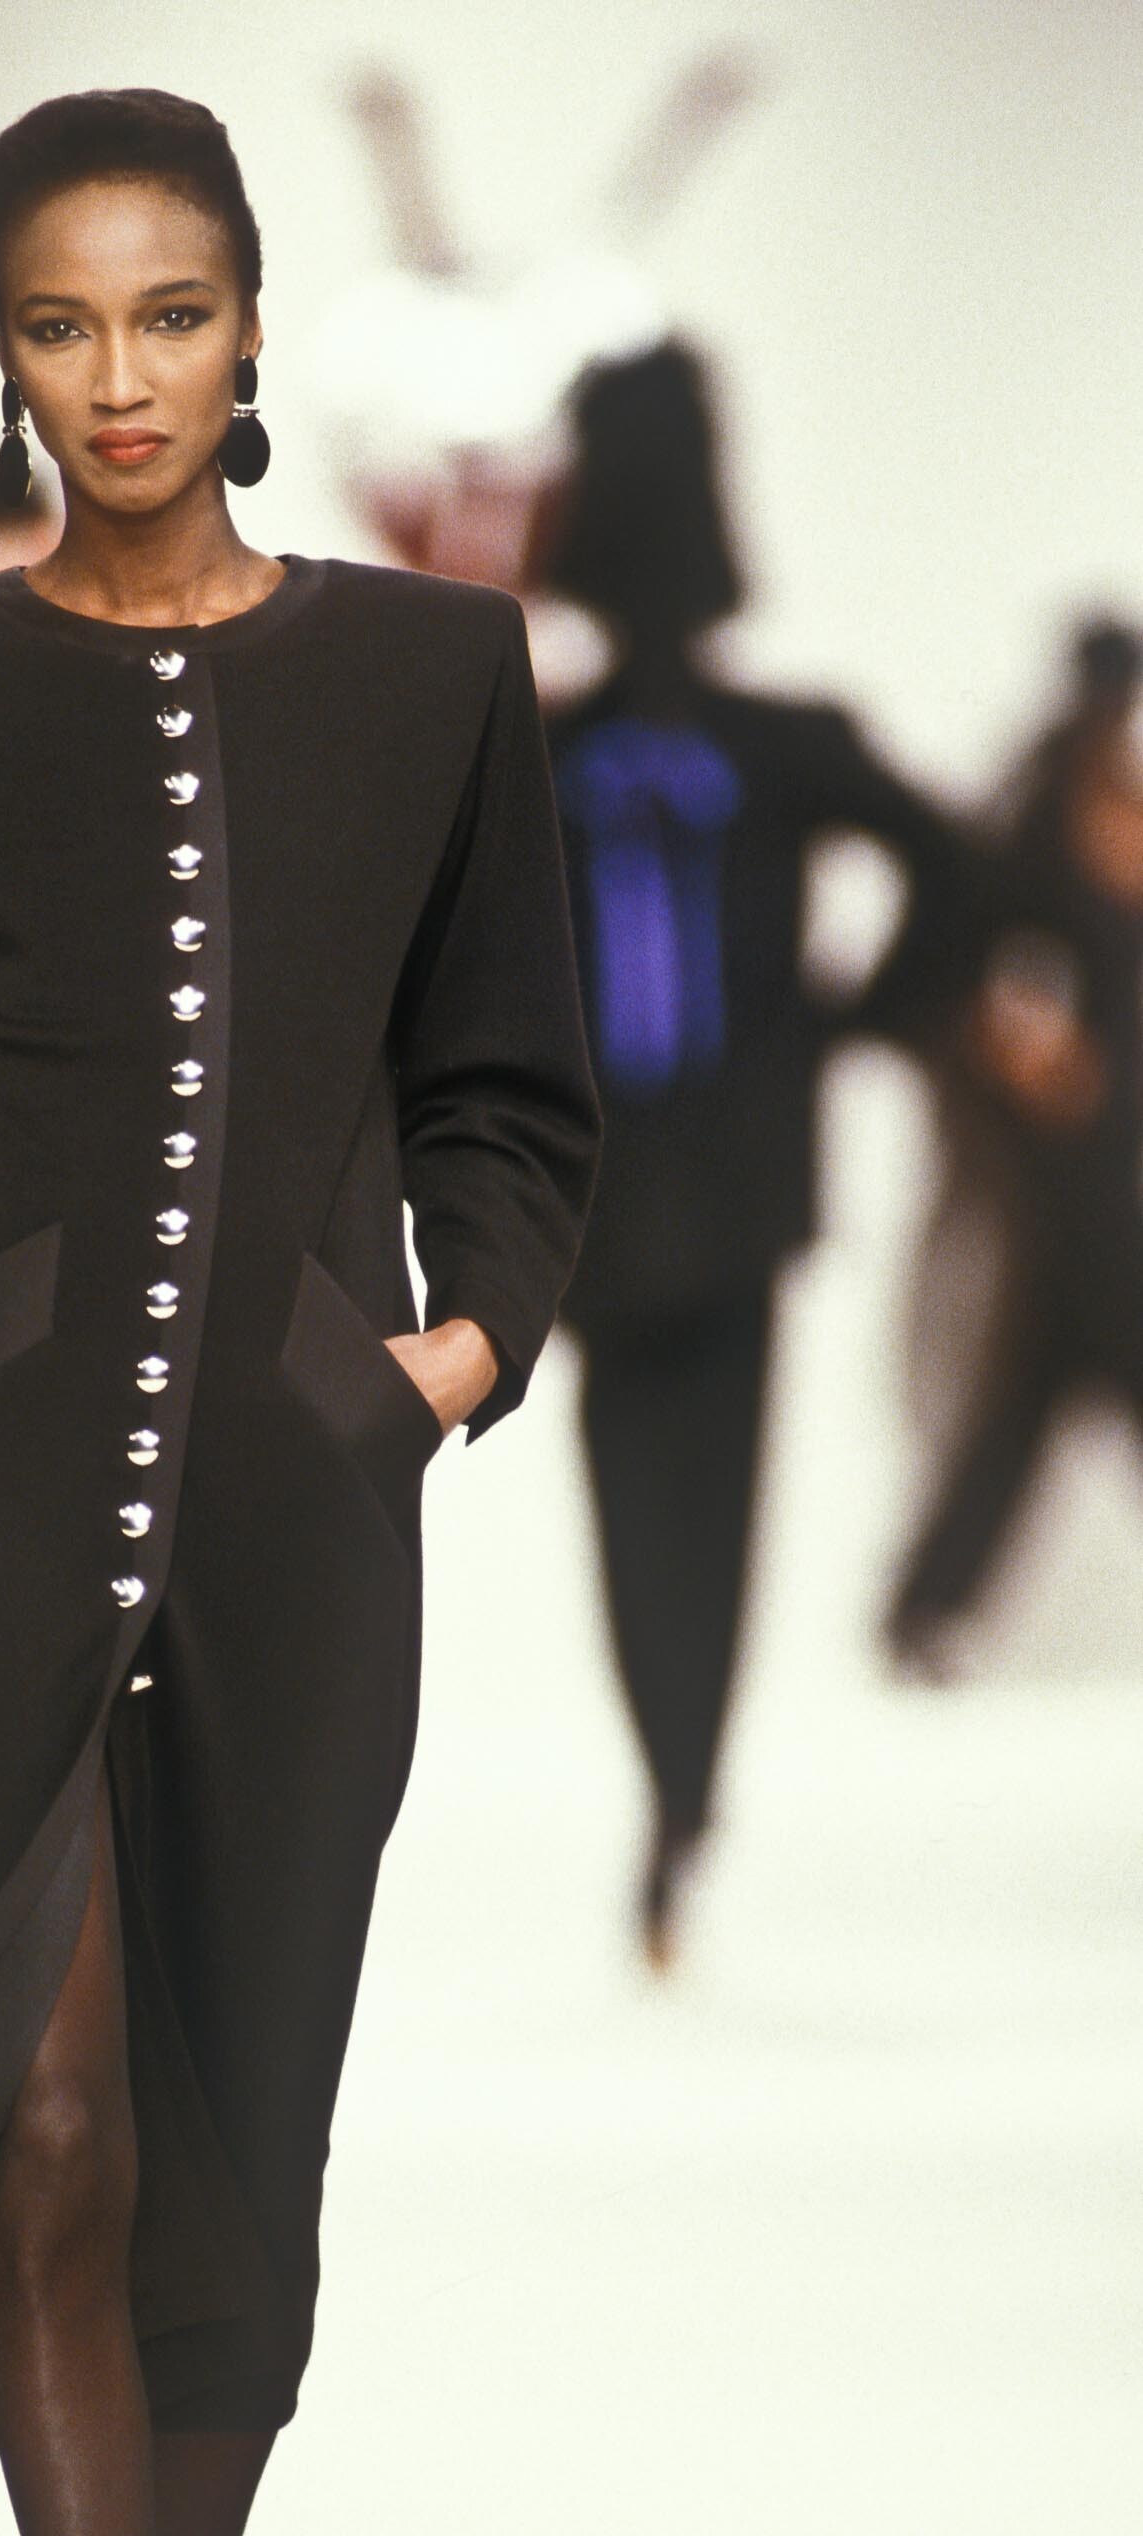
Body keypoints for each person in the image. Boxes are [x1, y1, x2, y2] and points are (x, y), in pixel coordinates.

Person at [0, 86, 599, 2536]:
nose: (117, 378)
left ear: (251, 331)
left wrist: (452, 1352)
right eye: (59, 326)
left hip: (302, 1501)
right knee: (45, 2125)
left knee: (243, 2173)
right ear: (1, 348)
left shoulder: (430, 669)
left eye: (169, 317)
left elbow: (512, 1081)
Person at [539, 341, 977, 1969]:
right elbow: (954, 865)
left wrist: (848, 1023)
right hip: (680, 1182)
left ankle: (675, 1795)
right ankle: (679, 1793)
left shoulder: (557, 751)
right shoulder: (709, 746)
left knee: (651, 1502)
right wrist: (847, 1023)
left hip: (650, 1185)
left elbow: (953, 867)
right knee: (690, 1505)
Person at [884, 617, 1143, 1671]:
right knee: (1083, 1359)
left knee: (1028, 1388)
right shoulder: (1040, 810)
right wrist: (1027, 1048)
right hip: (1061, 1169)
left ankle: (923, 1607)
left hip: (1095, 1160)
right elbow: (976, 966)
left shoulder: (1094, 800)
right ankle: (921, 1608)